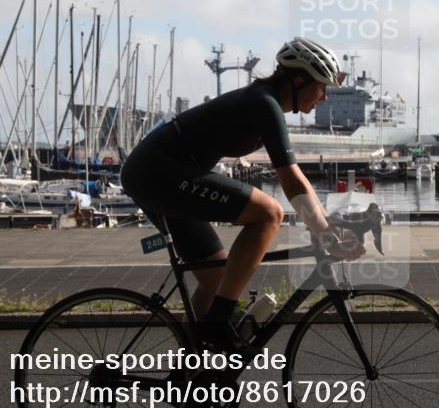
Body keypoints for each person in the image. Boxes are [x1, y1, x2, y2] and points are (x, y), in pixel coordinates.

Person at [120, 37, 365, 352]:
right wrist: (325, 231)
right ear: (299, 79)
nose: (324, 96)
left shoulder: (265, 102)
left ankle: (190, 379)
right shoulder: (264, 103)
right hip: (158, 172)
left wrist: (322, 225)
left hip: (162, 173)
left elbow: (296, 177)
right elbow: (290, 179)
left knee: (218, 283)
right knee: (269, 213)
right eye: (322, 87)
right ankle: (220, 325)